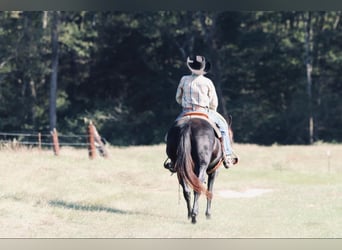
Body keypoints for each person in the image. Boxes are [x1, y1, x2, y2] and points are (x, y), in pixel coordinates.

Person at [164, 55, 238, 173]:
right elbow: (214, 102)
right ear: (203, 69)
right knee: (223, 127)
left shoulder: (184, 79)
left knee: (170, 133)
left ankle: (172, 160)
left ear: (190, 67)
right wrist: (211, 109)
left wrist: (184, 104)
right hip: (204, 111)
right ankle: (227, 156)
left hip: (186, 111)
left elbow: (178, 97)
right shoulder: (208, 82)